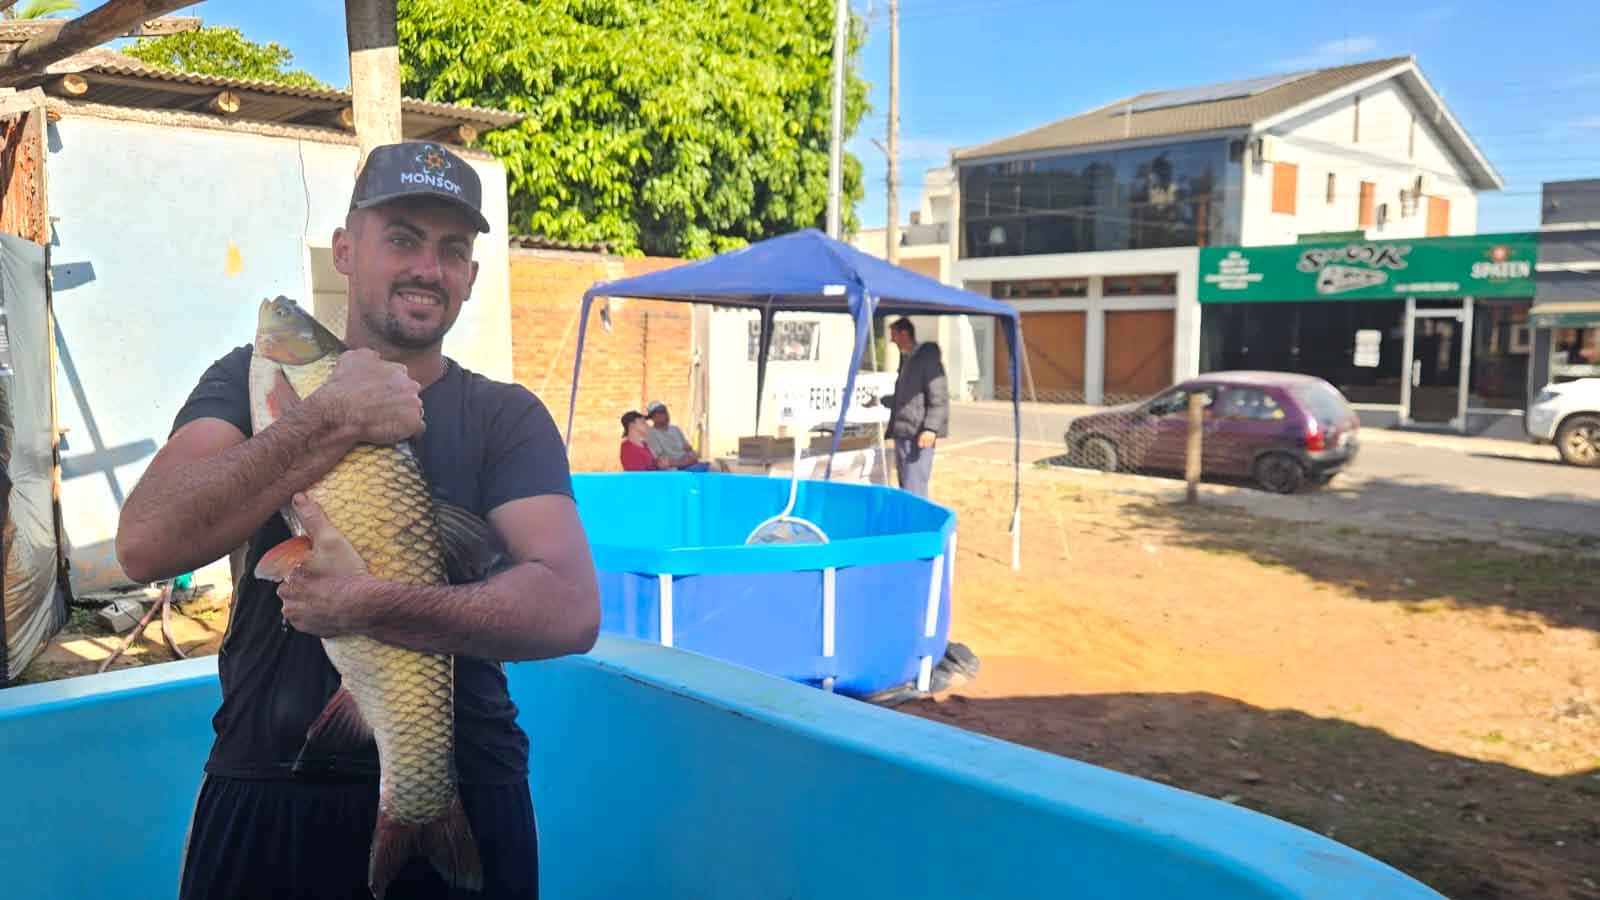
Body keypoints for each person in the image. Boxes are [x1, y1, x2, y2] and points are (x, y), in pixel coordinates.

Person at [114, 141, 600, 900]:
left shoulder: (505, 416)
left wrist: (370, 606)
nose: (428, 268)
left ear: (471, 276)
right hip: (267, 781)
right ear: (344, 250)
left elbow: (571, 609)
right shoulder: (251, 380)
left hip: (466, 784)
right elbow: (144, 544)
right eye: (402, 237)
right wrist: (329, 418)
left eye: (452, 250)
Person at [879, 317, 949, 497]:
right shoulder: (908, 359)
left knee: (914, 487)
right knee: (906, 487)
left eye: (894, 335)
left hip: (918, 436)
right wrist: (880, 400)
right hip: (904, 433)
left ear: (904, 334)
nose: (892, 340)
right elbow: (908, 398)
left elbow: (939, 397)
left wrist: (930, 429)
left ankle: (918, 516)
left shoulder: (927, 359)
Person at [643, 401, 709, 472]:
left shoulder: (675, 429)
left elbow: (689, 450)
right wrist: (682, 462)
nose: (664, 414)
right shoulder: (651, 434)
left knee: (714, 466)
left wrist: (690, 457)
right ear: (652, 417)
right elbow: (662, 461)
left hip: (689, 464)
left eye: (665, 411)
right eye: (660, 412)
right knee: (711, 469)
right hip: (676, 470)